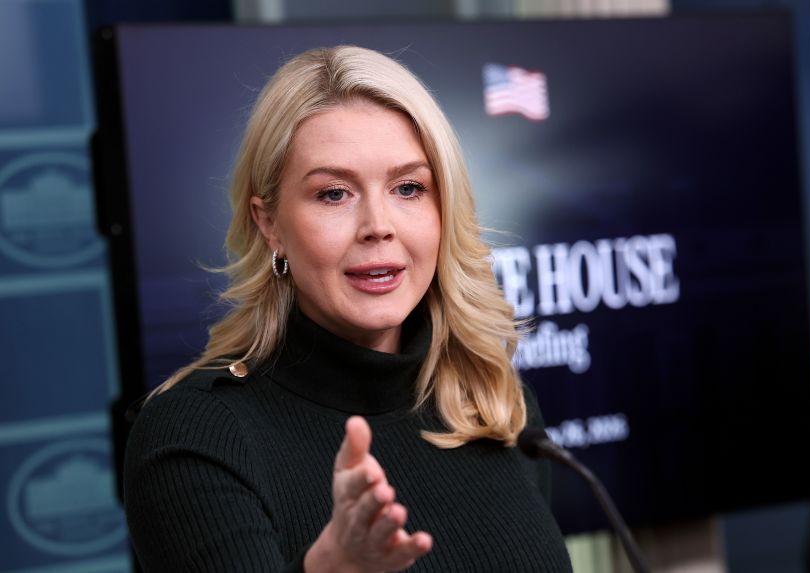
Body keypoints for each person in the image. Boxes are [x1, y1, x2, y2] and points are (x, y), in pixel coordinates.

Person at [123, 45, 573, 572]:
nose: (378, 225)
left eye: (409, 188)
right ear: (269, 225)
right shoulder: (193, 436)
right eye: (334, 194)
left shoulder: (492, 402)